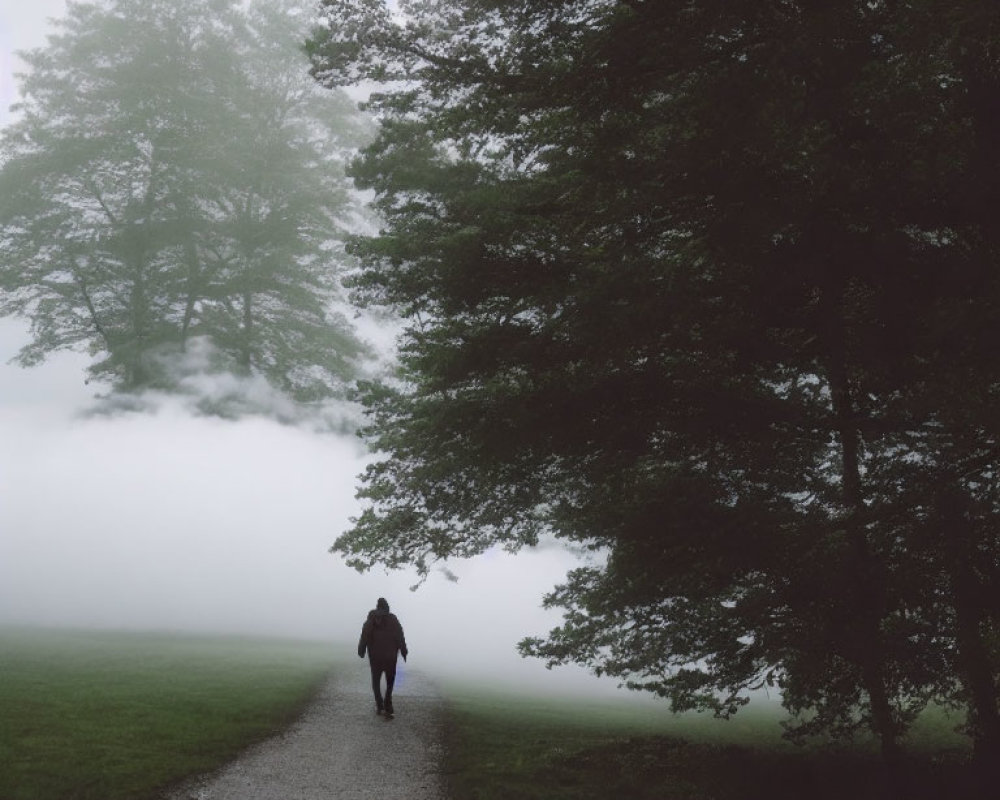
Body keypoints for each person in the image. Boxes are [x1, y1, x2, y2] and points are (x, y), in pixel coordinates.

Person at [357, 597, 408, 718]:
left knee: (375, 680)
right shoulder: (393, 619)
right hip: (390, 657)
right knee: (390, 681)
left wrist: (361, 650)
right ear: (387, 607)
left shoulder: (371, 620)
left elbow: (364, 635)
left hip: (375, 657)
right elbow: (400, 635)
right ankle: (388, 705)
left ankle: (379, 705)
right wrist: (404, 650)